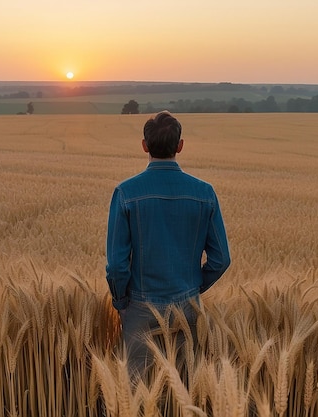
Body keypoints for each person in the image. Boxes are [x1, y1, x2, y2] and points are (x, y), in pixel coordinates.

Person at [105, 111, 231, 379]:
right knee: (186, 389)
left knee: (138, 395)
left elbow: (117, 265)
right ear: (180, 146)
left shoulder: (126, 193)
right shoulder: (204, 193)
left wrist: (121, 302)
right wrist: (193, 287)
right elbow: (221, 260)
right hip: (188, 309)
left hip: (139, 307)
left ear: (144, 146)